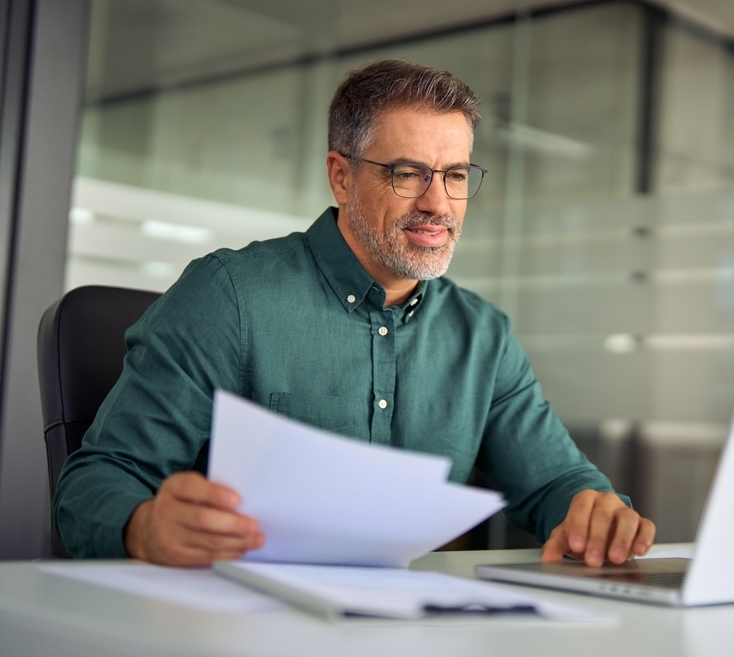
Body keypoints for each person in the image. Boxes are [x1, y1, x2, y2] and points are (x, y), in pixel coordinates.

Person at [54, 59, 655, 568]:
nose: (438, 204)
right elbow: (95, 481)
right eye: (407, 174)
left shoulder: (483, 336)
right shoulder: (229, 297)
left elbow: (555, 484)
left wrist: (594, 511)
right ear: (341, 177)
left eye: (453, 176)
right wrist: (142, 525)